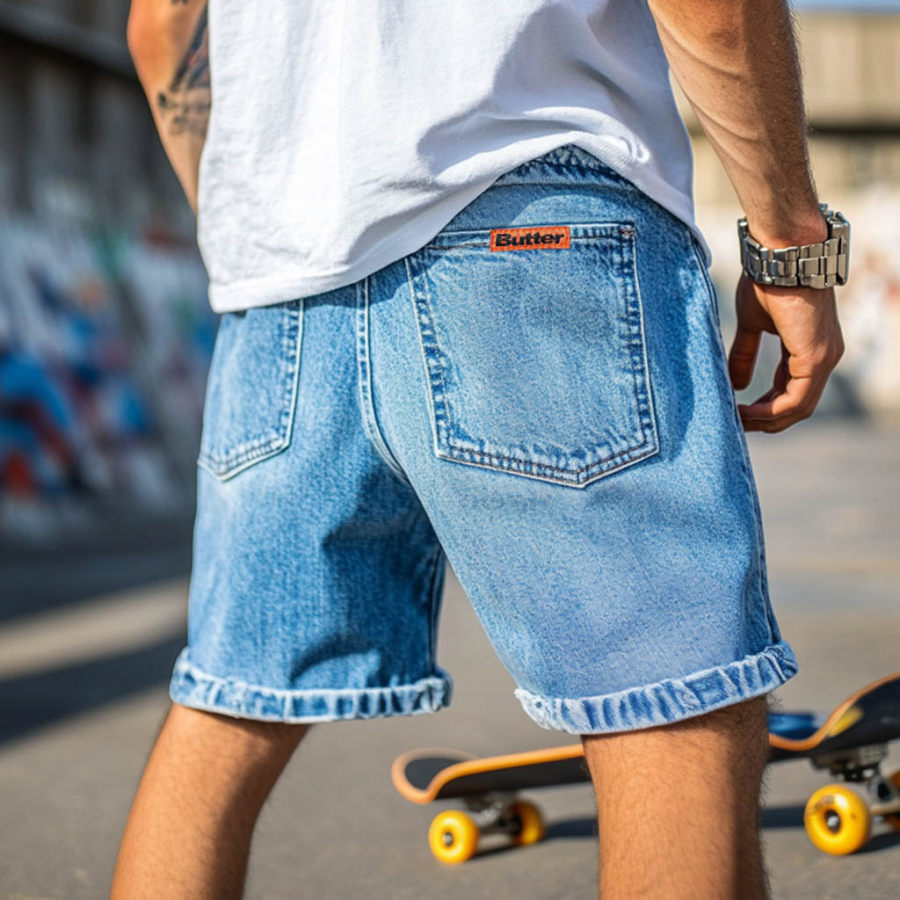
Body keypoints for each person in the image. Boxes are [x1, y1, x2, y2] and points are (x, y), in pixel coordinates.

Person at [115, 1, 847, 897]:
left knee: (230, 705)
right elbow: (715, 12)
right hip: (529, 225)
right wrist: (789, 246)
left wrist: (260, 231)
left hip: (278, 287)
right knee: (669, 711)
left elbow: (159, 29)